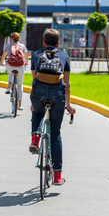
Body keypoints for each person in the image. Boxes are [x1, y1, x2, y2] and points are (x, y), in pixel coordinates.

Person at [29, 29, 76, 185]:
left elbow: (35, 80)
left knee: (38, 113)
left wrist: (33, 103)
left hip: (38, 93)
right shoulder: (64, 56)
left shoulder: (36, 55)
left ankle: (35, 137)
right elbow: (67, 84)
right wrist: (68, 105)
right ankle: (57, 177)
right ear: (58, 43)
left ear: (43, 42)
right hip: (57, 95)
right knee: (55, 133)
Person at [0, 32, 28, 110]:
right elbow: (26, 55)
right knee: (19, 85)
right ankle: (19, 105)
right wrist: (26, 62)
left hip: (11, 66)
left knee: (10, 73)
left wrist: (1, 63)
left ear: (11, 39)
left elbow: (4, 55)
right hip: (20, 67)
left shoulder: (8, 46)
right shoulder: (22, 46)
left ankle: (9, 87)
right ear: (18, 39)